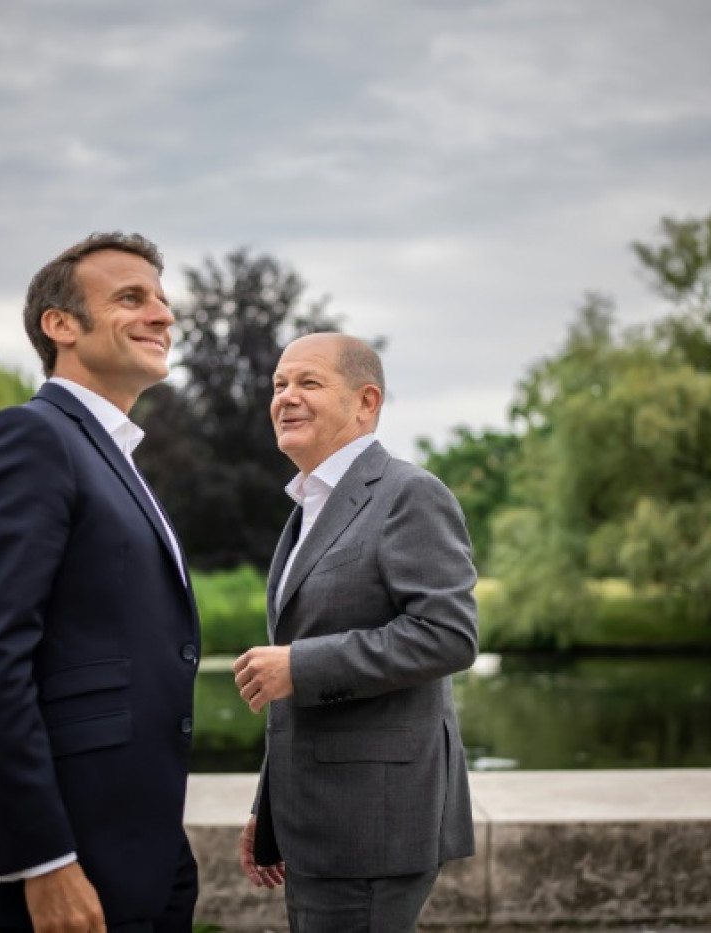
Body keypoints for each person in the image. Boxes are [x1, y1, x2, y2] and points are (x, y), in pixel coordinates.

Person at [0, 233, 201, 932]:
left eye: (163, 300)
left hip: (141, 845)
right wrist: (44, 859)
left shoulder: (110, 454)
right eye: (131, 297)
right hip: (73, 855)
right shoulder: (30, 438)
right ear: (61, 326)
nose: (162, 315)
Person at [232, 332, 479, 932]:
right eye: (279, 385)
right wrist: (271, 811)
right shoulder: (310, 506)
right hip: (316, 819)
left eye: (308, 383)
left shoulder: (408, 494)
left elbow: (448, 634)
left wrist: (300, 665)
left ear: (367, 402)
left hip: (374, 824)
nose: (286, 397)